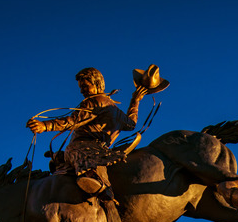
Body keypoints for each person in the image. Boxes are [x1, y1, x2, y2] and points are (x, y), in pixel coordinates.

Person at [26, 65, 167, 197]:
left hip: (84, 146)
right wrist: (135, 101)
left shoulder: (94, 101)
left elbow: (74, 121)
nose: (82, 91)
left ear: (97, 84)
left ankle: (96, 180)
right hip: (100, 148)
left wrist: (45, 126)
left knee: (71, 150)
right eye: (81, 87)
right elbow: (131, 124)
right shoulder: (115, 110)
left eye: (85, 86)